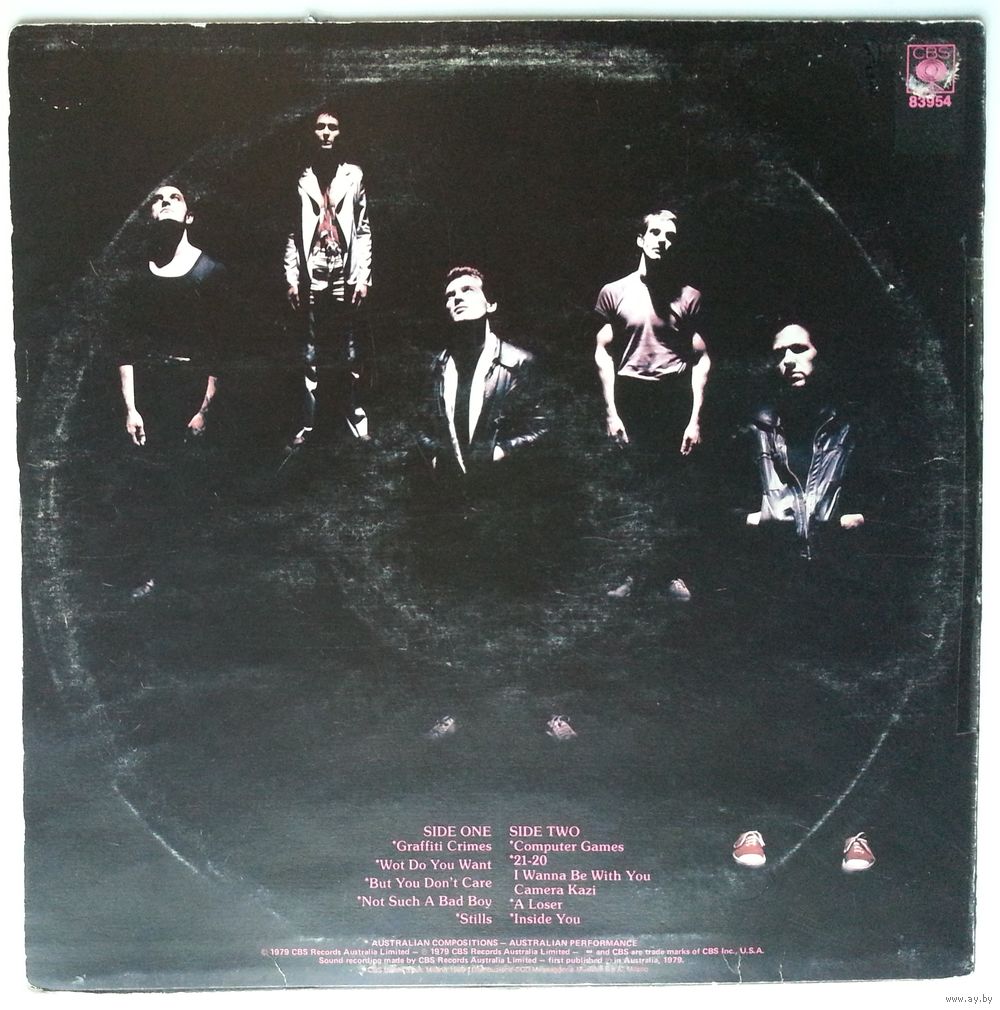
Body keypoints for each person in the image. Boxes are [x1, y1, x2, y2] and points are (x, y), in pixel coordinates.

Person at [415, 267, 567, 741]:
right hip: (455, 508)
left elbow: (545, 425)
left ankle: (549, 710)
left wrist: (504, 452)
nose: (456, 299)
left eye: (467, 291)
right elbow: (422, 426)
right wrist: (435, 457)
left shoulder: (519, 364)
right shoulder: (436, 367)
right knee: (456, 609)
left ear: (490, 303)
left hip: (508, 508)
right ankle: (455, 708)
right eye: (449, 295)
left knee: (525, 606)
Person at [115, 184, 228, 599]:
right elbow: (125, 347)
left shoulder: (210, 272)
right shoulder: (137, 278)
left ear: (189, 216)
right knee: (150, 487)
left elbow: (220, 351)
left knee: (192, 487)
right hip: (151, 395)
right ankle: (152, 575)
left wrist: (204, 410)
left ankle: (195, 584)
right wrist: (131, 408)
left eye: (173, 198)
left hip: (192, 393)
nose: (163, 203)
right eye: (156, 200)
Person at [593, 209, 711, 600]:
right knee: (633, 488)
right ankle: (633, 575)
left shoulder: (689, 297)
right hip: (632, 398)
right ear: (641, 239)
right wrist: (611, 411)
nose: (663, 240)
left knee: (672, 488)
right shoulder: (614, 292)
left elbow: (701, 358)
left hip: (672, 398)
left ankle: (671, 575)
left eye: (670, 236)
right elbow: (603, 352)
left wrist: (694, 418)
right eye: (656, 233)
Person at [284, 104, 373, 449]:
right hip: (313, 271)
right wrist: (292, 277)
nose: (326, 133)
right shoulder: (301, 177)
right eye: (321, 127)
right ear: (311, 132)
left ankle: (355, 418)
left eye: (333, 127)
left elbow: (363, 229)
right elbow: (293, 232)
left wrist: (362, 276)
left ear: (341, 133)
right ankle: (308, 423)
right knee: (310, 352)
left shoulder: (354, 175)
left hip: (343, 271)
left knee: (349, 349)